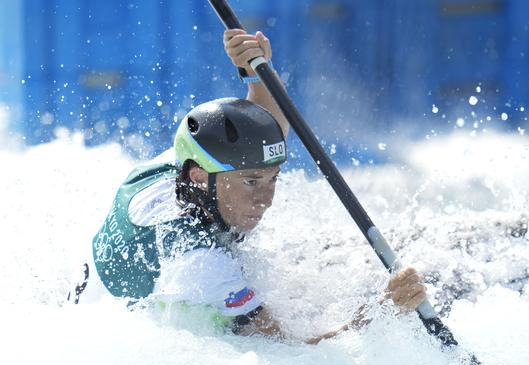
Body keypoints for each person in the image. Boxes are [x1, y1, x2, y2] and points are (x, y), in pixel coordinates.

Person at [68, 29, 428, 344]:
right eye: (251, 182)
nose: (266, 199)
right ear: (198, 177)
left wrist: (257, 73)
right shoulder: (201, 263)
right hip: (109, 344)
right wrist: (381, 313)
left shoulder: (175, 166)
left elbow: (267, 129)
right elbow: (297, 355)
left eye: (274, 179)